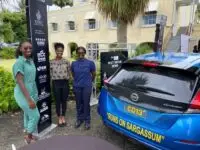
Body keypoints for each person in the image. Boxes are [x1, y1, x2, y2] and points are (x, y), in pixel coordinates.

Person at [12, 40, 40, 144]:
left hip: (31, 91)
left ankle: (30, 134)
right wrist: (29, 100)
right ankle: (28, 137)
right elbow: (20, 82)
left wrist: (34, 95)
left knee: (28, 114)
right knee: (35, 115)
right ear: (20, 49)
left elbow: (31, 79)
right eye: (25, 48)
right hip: (23, 94)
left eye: (30, 48)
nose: (28, 50)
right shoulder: (19, 63)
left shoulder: (30, 61)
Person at [71, 46, 96, 130]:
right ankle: (79, 119)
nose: (81, 54)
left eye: (82, 52)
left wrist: (89, 81)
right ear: (77, 54)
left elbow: (93, 74)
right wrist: (78, 81)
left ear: (84, 53)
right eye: (79, 53)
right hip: (77, 86)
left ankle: (87, 120)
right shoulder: (74, 63)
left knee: (86, 104)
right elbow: (73, 74)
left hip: (86, 86)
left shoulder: (90, 63)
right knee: (79, 104)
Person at [50, 42, 70, 127]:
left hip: (65, 83)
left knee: (64, 101)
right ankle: (59, 117)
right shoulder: (51, 62)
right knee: (57, 101)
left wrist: (68, 78)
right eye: (58, 51)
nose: (60, 53)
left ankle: (63, 116)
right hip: (56, 83)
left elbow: (69, 72)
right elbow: (49, 73)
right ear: (55, 51)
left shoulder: (66, 61)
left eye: (61, 51)